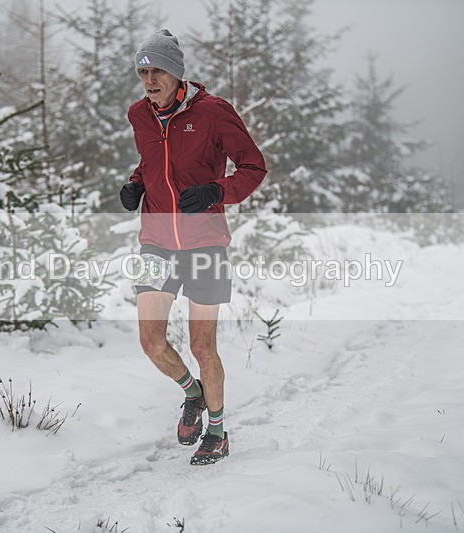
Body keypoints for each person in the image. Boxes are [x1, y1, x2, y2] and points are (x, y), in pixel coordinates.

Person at [120, 29, 266, 465]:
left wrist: (215, 192)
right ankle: (193, 393)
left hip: (205, 244)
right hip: (155, 242)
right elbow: (152, 163)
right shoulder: (139, 115)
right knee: (151, 341)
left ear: (177, 74)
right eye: (143, 72)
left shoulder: (214, 113)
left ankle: (217, 434)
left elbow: (254, 167)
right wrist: (133, 184)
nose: (149, 81)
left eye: (157, 71)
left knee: (203, 348)